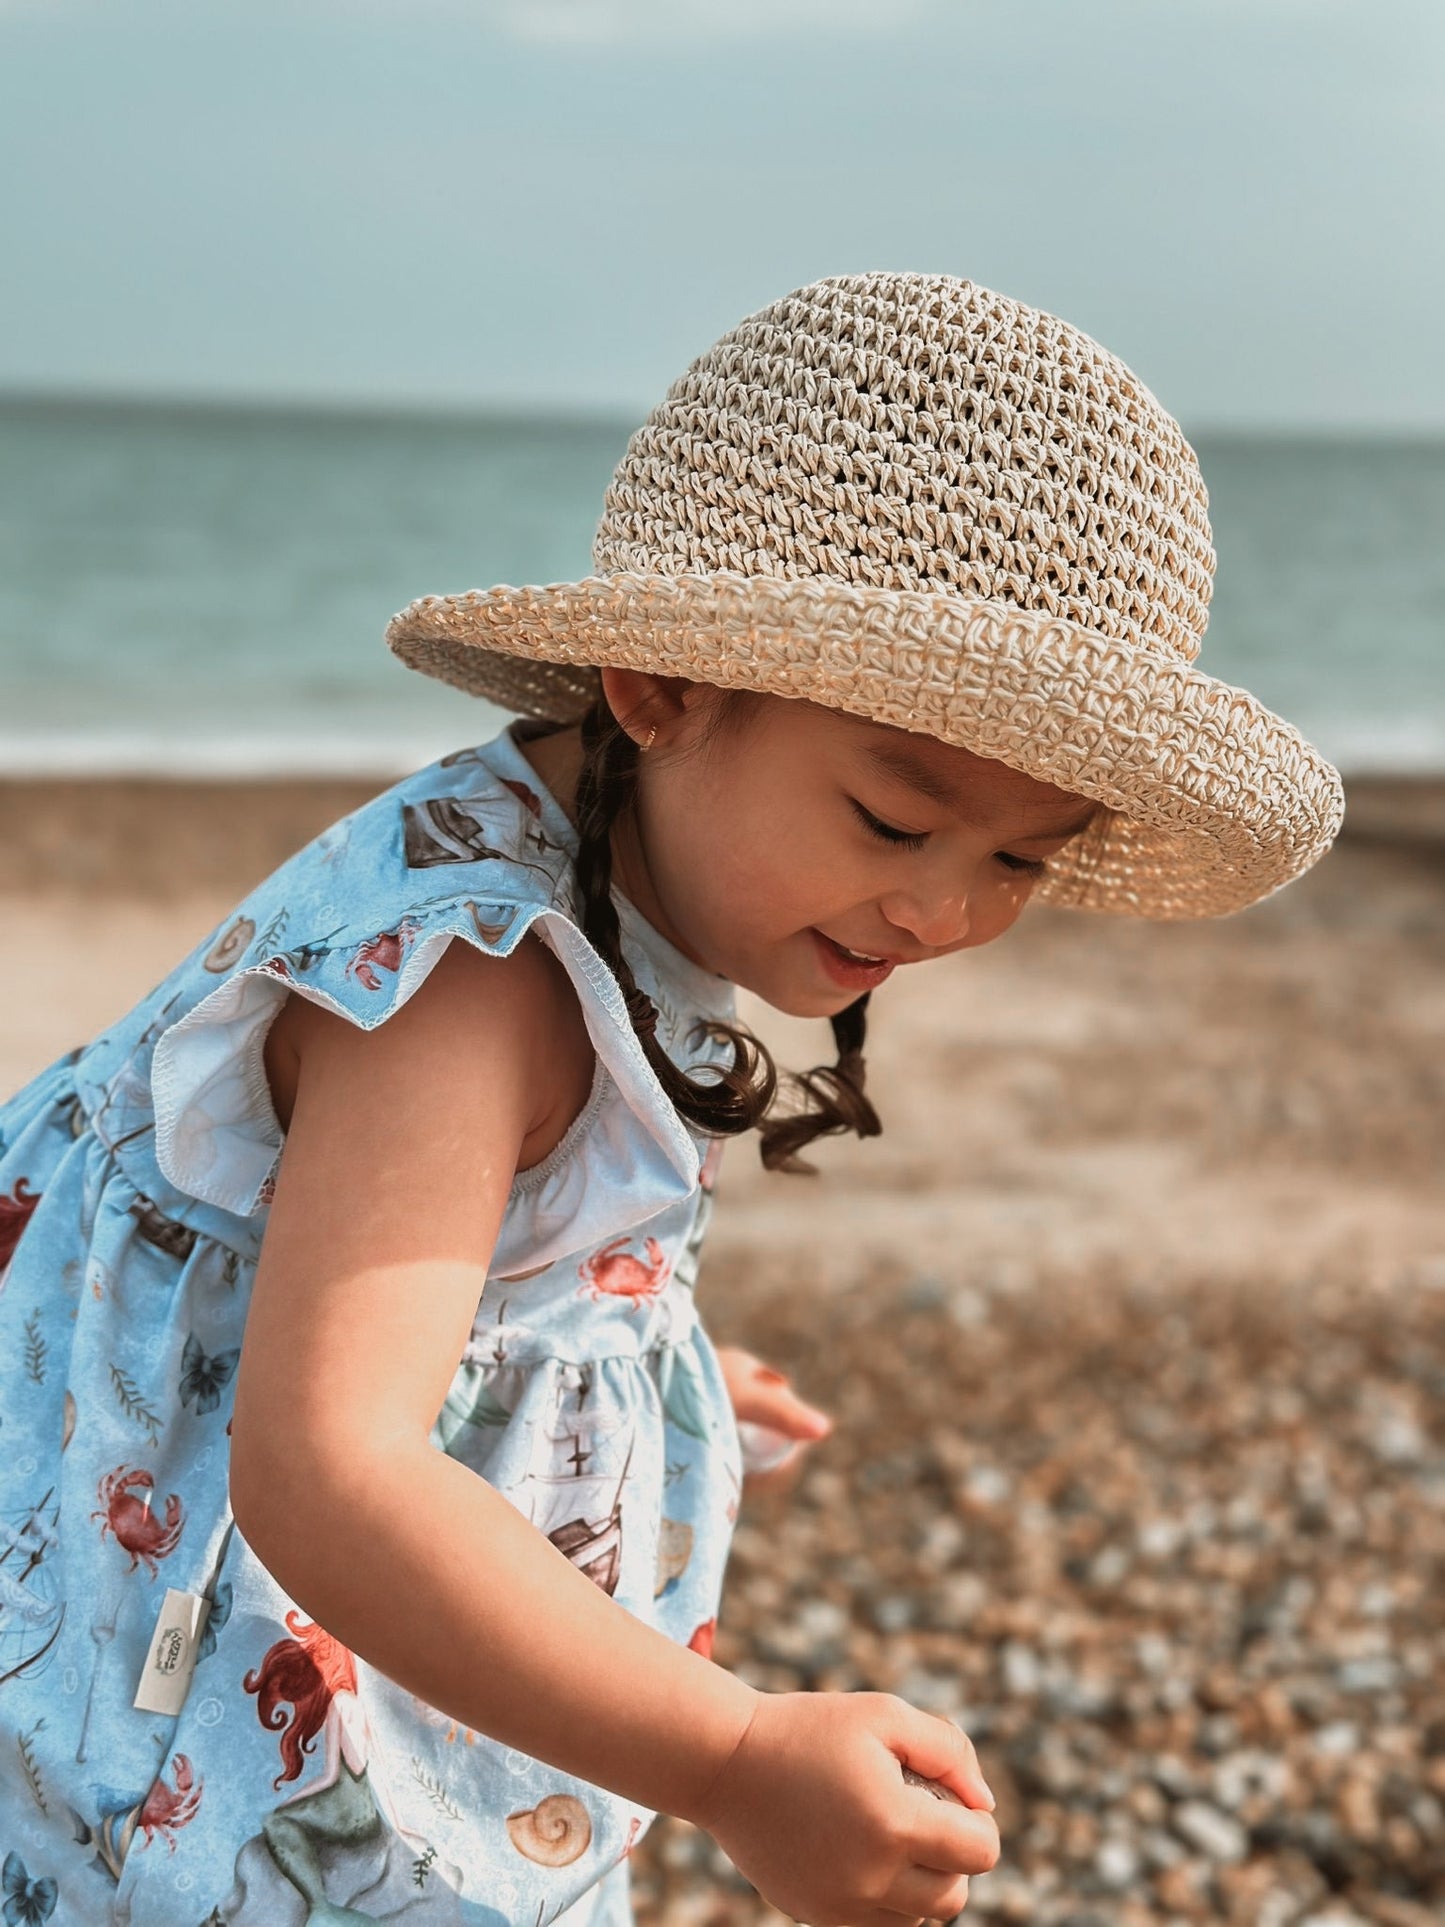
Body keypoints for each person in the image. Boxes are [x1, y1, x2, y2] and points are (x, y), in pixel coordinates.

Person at [0, 272, 1343, 1927]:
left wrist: (620, 1334)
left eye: (1017, 859)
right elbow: (330, 1469)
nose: (941, 911)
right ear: (662, 692)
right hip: (168, 1649)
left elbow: (404, 1242)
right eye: (889, 819)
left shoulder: (601, 847)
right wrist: (729, 1762)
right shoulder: (469, 985)